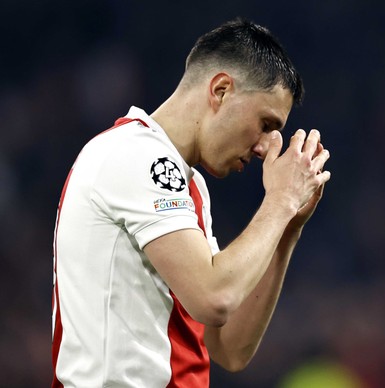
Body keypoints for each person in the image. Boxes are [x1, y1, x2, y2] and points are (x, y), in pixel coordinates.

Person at [51, 19, 331, 387]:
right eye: (265, 123)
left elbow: (229, 348)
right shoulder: (136, 155)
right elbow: (215, 296)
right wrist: (280, 200)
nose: (265, 147)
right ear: (220, 90)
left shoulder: (187, 184)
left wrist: (288, 226)